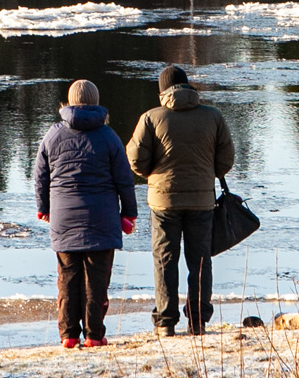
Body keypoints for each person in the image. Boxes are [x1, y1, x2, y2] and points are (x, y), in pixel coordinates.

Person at [127, 65, 234, 337]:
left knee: (165, 260)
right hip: (202, 201)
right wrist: (208, 172)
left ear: (163, 91)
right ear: (188, 87)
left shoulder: (151, 118)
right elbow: (226, 161)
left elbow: (136, 160)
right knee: (200, 260)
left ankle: (165, 323)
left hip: (163, 202)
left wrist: (153, 173)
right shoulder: (213, 116)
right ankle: (197, 322)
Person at [33, 79, 137, 348]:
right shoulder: (109, 136)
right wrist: (129, 213)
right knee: (97, 280)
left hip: (63, 218)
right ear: (96, 101)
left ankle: (68, 335)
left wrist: (43, 208)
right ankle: (94, 335)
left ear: (68, 102)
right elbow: (124, 179)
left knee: (67, 277)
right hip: (102, 219)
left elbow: (40, 176)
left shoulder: (53, 135)